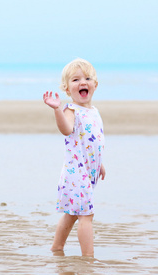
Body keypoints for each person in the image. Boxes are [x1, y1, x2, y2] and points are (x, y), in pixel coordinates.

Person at [43, 58, 105, 257]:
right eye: (76, 80)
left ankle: (57, 247)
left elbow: (92, 142)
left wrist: (99, 163)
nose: (82, 82)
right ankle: (88, 257)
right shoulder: (71, 111)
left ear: (95, 85)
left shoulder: (94, 112)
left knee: (71, 214)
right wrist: (56, 110)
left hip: (87, 172)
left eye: (87, 78)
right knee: (86, 215)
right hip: (75, 173)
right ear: (67, 89)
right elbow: (66, 129)